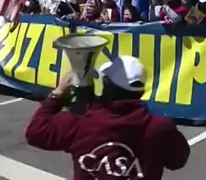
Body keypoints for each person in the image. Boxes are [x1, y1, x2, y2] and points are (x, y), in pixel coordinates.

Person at [25, 55, 190, 179]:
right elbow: (177, 161)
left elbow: (35, 132)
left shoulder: (79, 123)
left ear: (106, 87)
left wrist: (57, 95)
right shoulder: (159, 126)